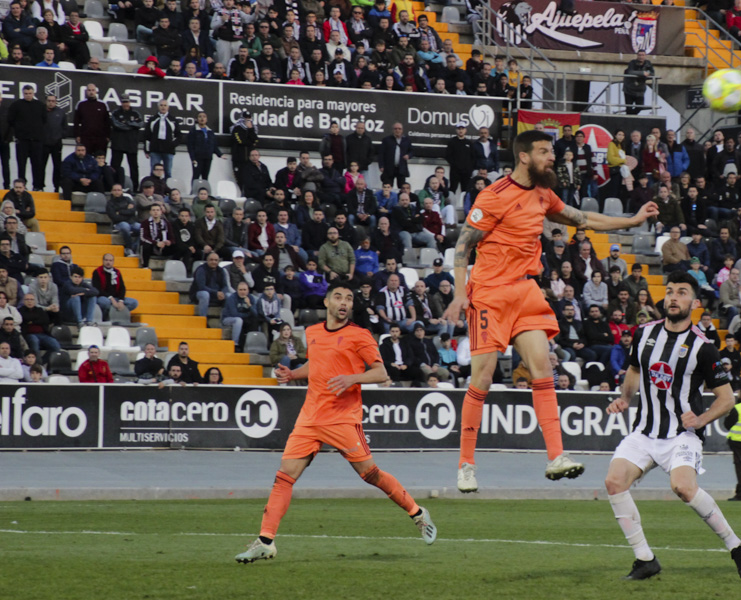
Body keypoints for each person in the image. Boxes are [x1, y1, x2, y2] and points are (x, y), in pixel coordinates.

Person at [444, 129, 660, 492]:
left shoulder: (543, 194)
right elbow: (464, 244)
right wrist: (459, 293)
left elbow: (583, 220)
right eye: (544, 151)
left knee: (543, 367)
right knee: (482, 379)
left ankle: (556, 456)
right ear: (524, 156)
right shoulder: (493, 196)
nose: (551, 157)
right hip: (490, 295)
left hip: (526, 290)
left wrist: (632, 222)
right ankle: (466, 463)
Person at [235, 280, 437, 563]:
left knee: (370, 474)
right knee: (284, 476)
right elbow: (317, 365)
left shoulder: (360, 335)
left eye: (349, 298)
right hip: (311, 417)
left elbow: (381, 373)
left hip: (343, 418)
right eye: (338, 297)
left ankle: (417, 512)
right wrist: (293, 375)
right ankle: (266, 540)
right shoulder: (313, 332)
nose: (344, 302)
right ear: (327, 302)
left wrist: (352, 378)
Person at [603, 270, 741, 581]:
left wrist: (700, 420)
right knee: (614, 482)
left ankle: (736, 546)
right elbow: (634, 369)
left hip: (681, 435)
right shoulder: (644, 333)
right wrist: (625, 397)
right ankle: (645, 559)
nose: (673, 296)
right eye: (670, 291)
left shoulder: (704, 347)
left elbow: (726, 399)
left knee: (684, 488)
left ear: (694, 302)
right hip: (644, 432)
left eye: (682, 292)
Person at [109, 98, 144, 189]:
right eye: (124, 102)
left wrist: (127, 123)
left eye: (127, 102)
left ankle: (135, 188)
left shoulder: (135, 113)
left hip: (131, 144)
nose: (126, 104)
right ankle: (113, 187)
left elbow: (140, 124)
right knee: (115, 167)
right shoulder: (116, 113)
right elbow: (117, 124)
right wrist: (132, 125)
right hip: (118, 144)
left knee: (134, 167)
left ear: (130, 102)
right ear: (121, 103)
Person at [145, 101, 180, 177]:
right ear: (158, 107)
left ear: (168, 107)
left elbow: (179, 135)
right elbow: (147, 135)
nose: (163, 107)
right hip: (155, 150)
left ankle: (166, 188)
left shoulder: (173, 120)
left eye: (165, 105)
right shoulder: (152, 119)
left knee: (168, 172)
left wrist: (173, 145)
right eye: (161, 105)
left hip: (168, 150)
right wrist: (147, 150)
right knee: (153, 172)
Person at [187, 111, 224, 181]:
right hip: (198, 158)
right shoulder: (193, 131)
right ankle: (194, 192)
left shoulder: (210, 131)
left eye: (204, 116)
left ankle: (204, 191)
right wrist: (193, 159)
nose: (202, 118)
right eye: (200, 116)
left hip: (208, 158)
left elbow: (214, 145)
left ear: (206, 119)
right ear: (197, 119)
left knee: (205, 177)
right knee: (196, 177)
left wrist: (220, 154)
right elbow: (190, 146)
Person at [379, 122, 412, 188]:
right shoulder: (386, 140)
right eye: (395, 129)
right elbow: (381, 154)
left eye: (399, 129)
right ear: (393, 130)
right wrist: (381, 166)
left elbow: (412, 151)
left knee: (402, 187)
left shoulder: (406, 140)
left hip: (401, 168)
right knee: (388, 186)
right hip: (389, 168)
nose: (397, 130)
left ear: (402, 130)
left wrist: (408, 155)